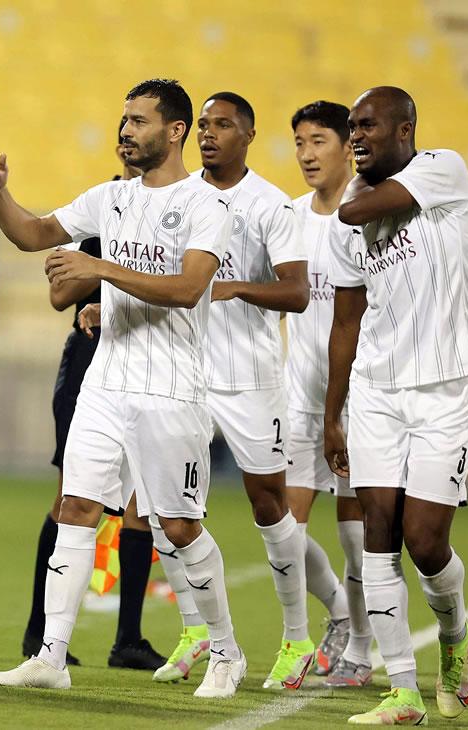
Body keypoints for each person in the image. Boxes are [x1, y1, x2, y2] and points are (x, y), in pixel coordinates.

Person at [0, 79, 244, 699]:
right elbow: (33, 233)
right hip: (107, 382)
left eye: (139, 121)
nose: (125, 130)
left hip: (172, 389)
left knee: (177, 525)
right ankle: (51, 656)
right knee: (76, 507)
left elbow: (186, 288)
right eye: (123, 119)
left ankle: (226, 653)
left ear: (174, 132)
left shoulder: (207, 204)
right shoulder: (110, 197)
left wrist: (99, 269)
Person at [326, 86, 468, 725]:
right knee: (377, 535)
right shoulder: (353, 207)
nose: (355, 136)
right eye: (351, 127)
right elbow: (346, 322)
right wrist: (332, 413)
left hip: (446, 386)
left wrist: (348, 203)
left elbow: (359, 212)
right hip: (376, 392)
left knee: (424, 539)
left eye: (368, 125)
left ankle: (455, 632)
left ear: (406, 128)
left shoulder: (443, 170)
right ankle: (403, 692)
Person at [22, 133, 164, 672]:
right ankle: (40, 633)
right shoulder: (104, 207)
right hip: (89, 365)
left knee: (141, 502)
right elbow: (61, 295)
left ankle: (128, 637)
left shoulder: (179, 209)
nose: (130, 148)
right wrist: (87, 282)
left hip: (148, 366)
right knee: (71, 495)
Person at [188, 92, 314, 690]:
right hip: (185, 372)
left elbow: (297, 293)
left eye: (223, 126)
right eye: (204, 126)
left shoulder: (271, 205)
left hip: (250, 379)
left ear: (248, 135)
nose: (209, 136)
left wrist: (236, 288)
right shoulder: (180, 195)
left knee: (269, 505)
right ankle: (205, 638)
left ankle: (296, 637)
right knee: (170, 506)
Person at [285, 100, 374, 687]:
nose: (307, 154)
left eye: (318, 140)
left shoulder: (368, 214)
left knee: (354, 531)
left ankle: (363, 645)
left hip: (357, 398)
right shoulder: (289, 216)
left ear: (347, 146)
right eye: (298, 143)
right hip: (298, 394)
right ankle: (339, 616)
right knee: (284, 533)